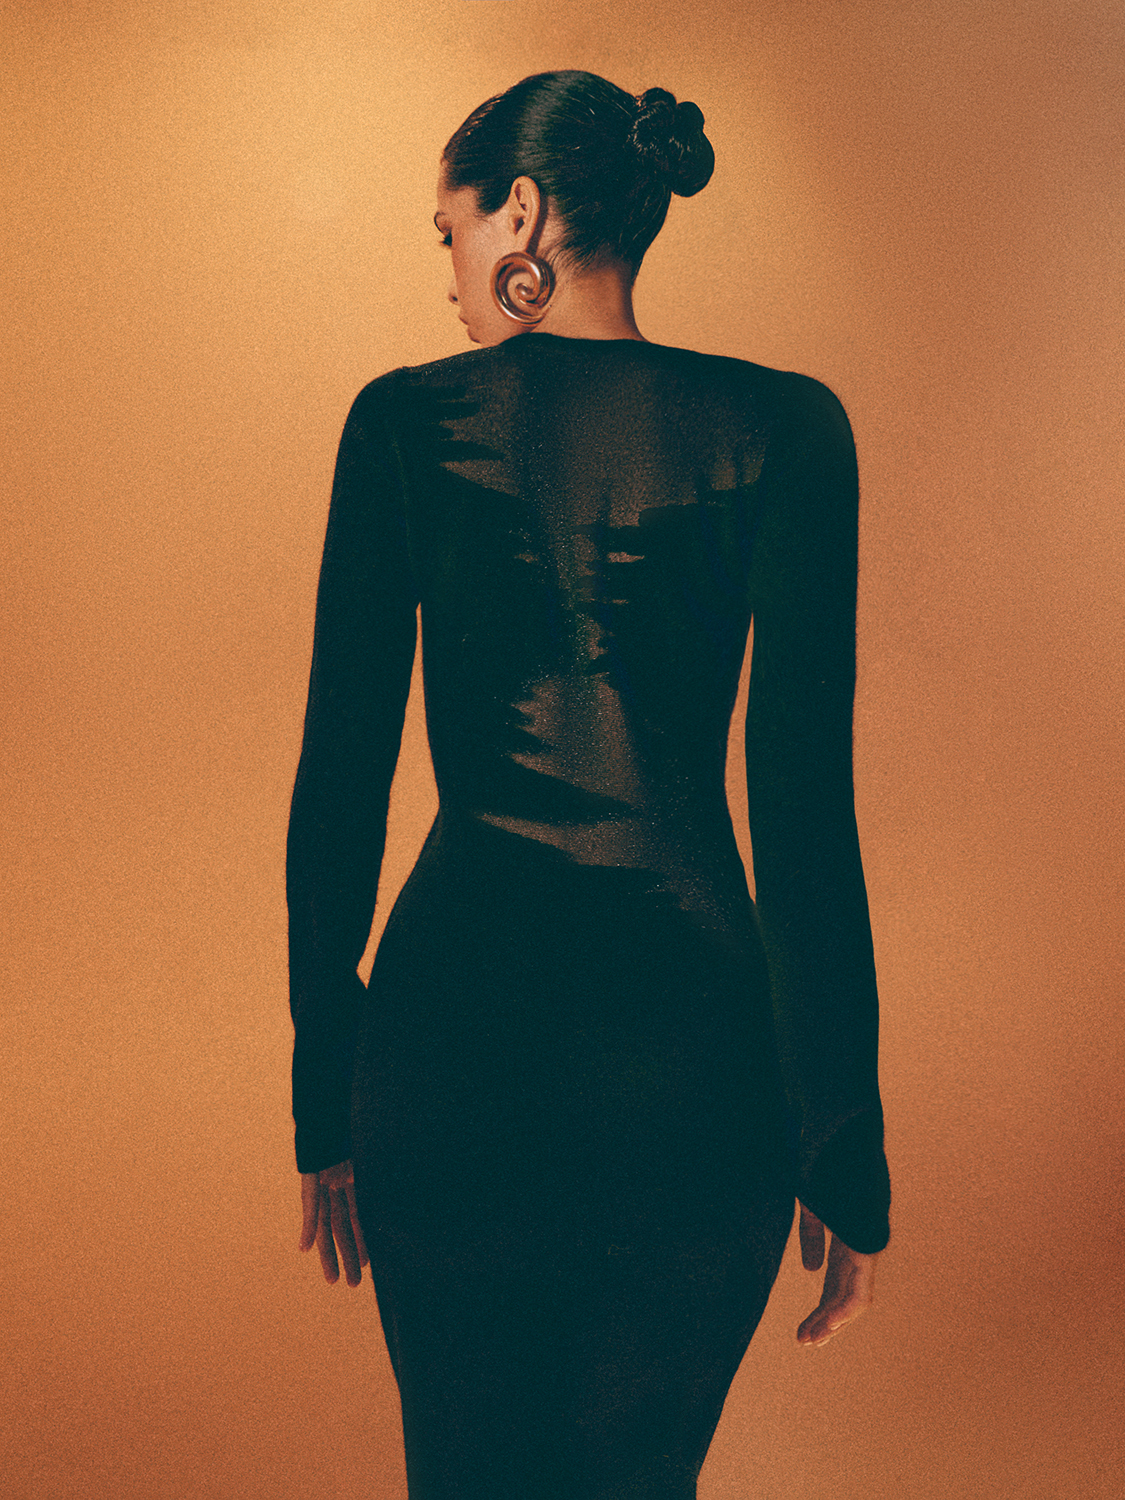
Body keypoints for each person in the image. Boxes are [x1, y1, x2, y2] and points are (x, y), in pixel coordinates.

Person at [287, 69, 891, 1500]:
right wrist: (839, 1136)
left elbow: (339, 783)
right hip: (698, 1054)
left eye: (445, 234)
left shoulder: (399, 423)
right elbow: (805, 814)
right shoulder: (787, 426)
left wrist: (326, 1091)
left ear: (519, 212)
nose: (446, 274)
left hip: (447, 1045)